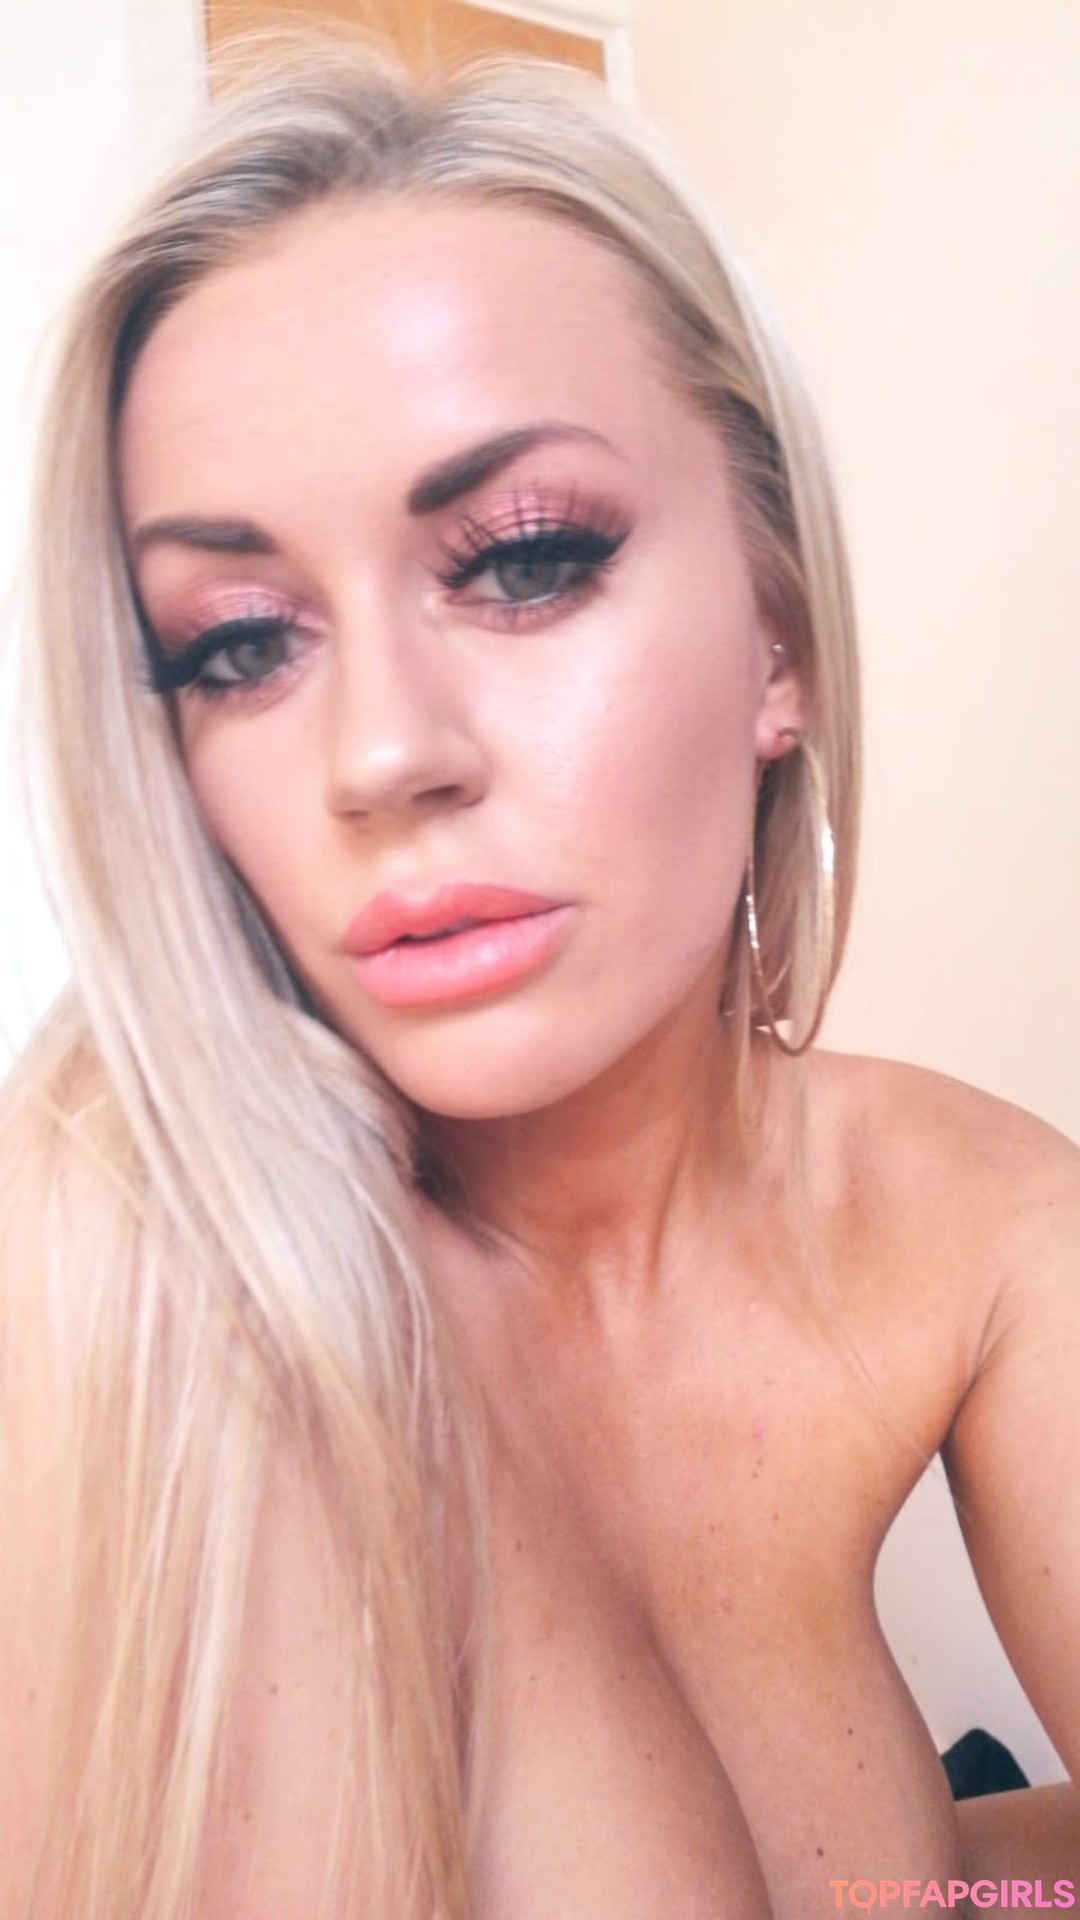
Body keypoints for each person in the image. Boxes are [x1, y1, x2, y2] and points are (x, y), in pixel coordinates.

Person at [1, 36, 1077, 1920]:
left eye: (522, 562)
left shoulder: (979, 1219)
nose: (380, 754)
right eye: (237, 644)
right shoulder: (133, 1248)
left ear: (777, 637)